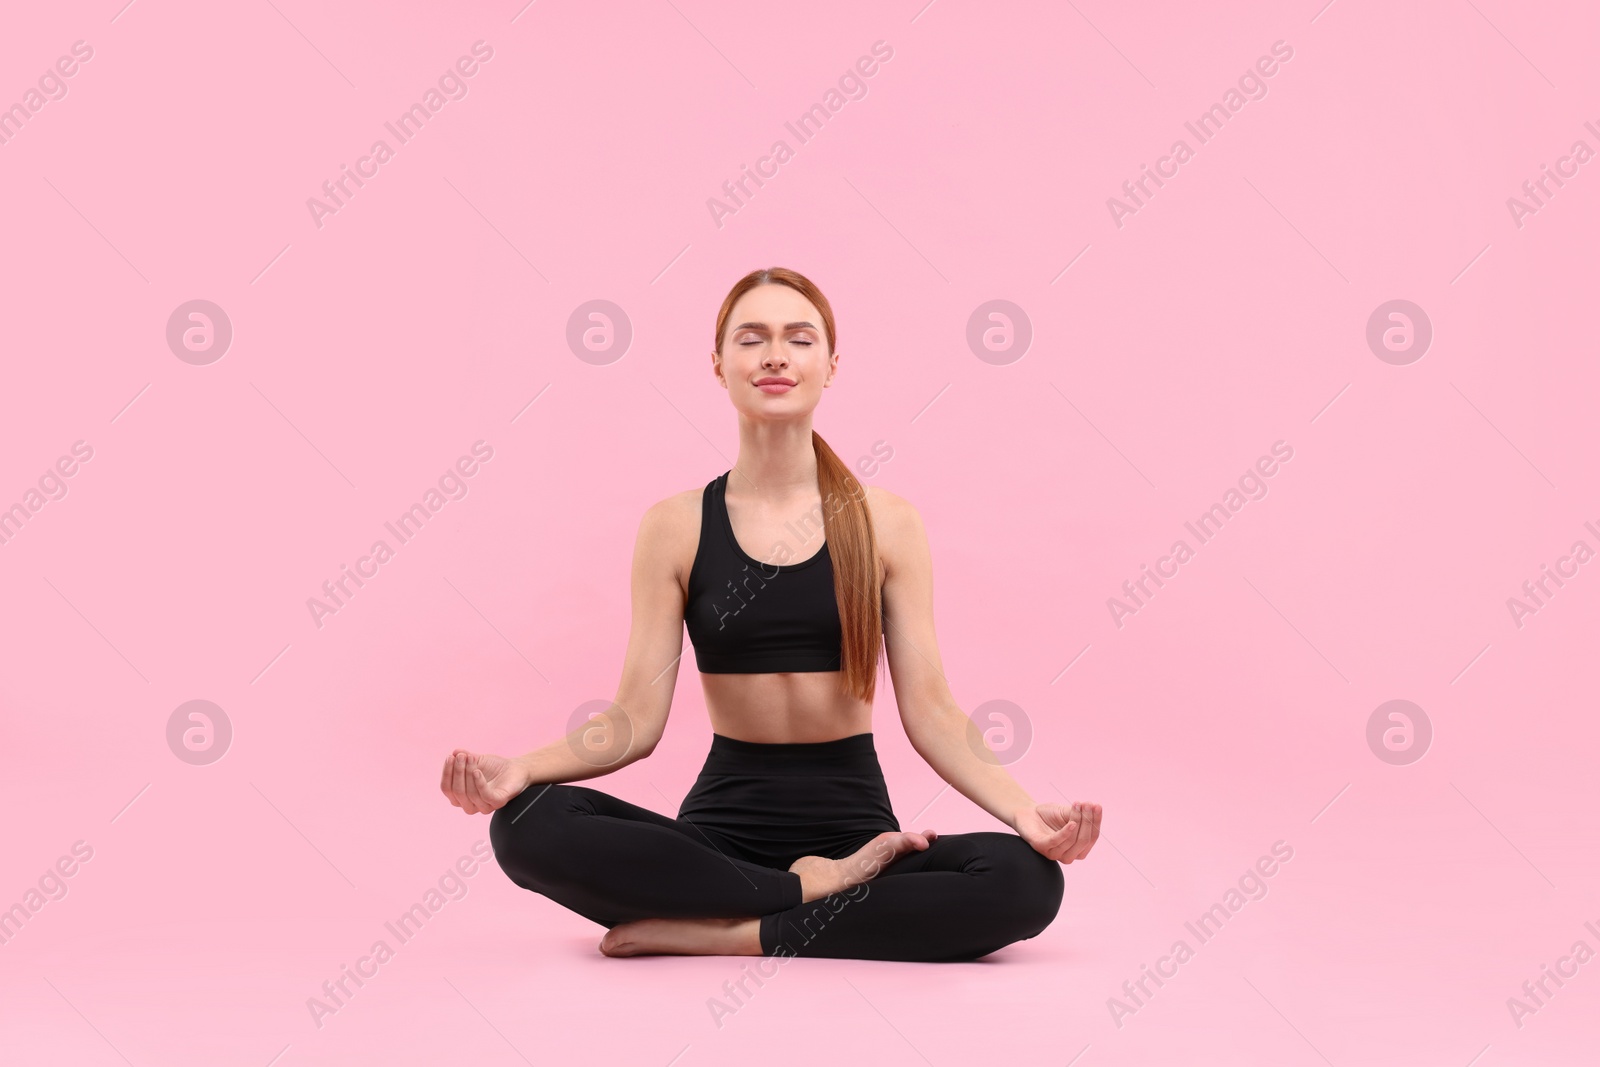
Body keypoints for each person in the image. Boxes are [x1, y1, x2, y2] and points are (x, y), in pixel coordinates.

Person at [439, 267, 1102, 962]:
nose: (776, 356)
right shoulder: (676, 525)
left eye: (799, 338)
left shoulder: (887, 524)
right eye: (752, 338)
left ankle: (737, 929)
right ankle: (800, 895)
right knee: (527, 823)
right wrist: (520, 768)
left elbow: (933, 711)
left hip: (860, 839)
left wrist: (1023, 809)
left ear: (830, 364)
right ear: (719, 364)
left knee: (1026, 878)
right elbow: (633, 720)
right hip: (719, 843)